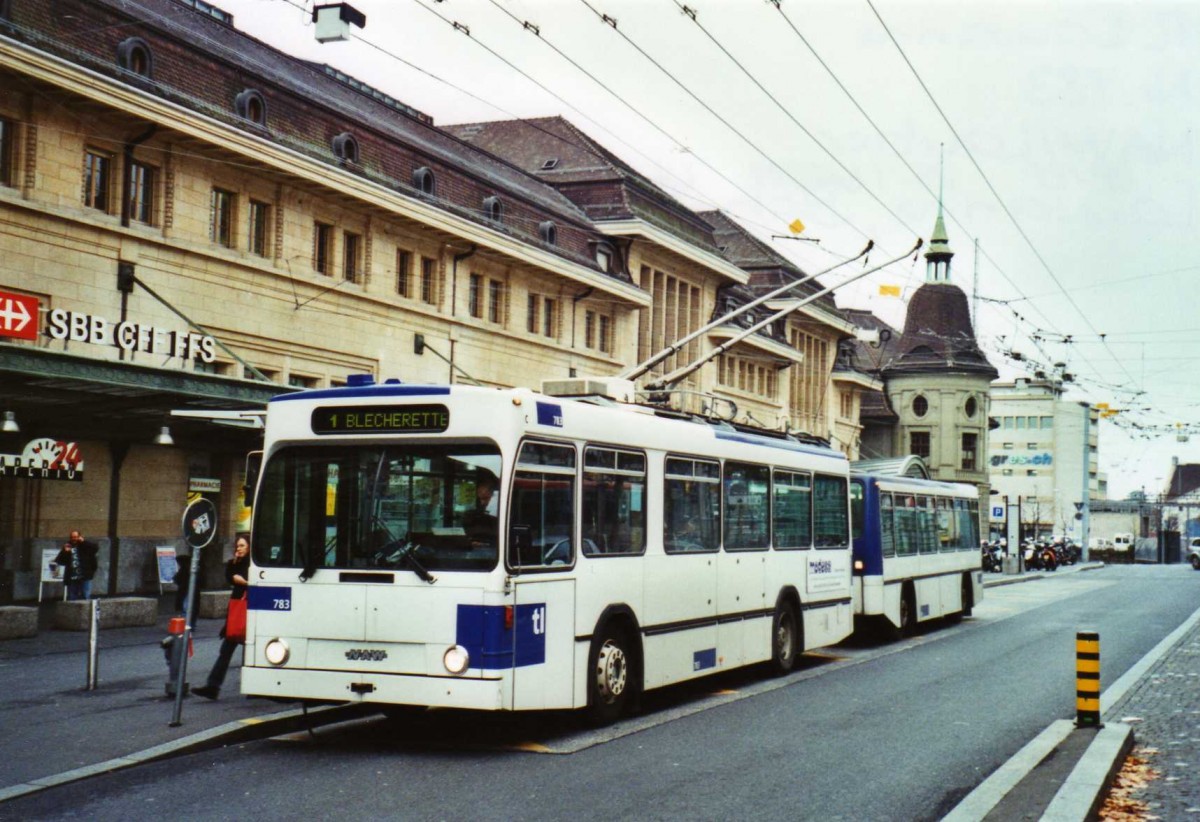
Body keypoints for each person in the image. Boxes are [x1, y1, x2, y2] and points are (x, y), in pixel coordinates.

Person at [193, 535, 250, 700]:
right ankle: (213, 686)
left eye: (242, 546)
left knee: (250, 652)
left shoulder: (253, 563)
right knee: (225, 651)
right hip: (237, 614)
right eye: (237, 546)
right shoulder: (234, 564)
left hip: (250, 612)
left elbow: (245, 579)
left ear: (249, 547)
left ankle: (252, 687)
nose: (238, 548)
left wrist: (244, 582)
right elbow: (230, 576)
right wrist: (239, 575)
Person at [54, 530, 99, 600]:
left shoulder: (85, 545)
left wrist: (84, 542)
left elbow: (95, 548)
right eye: (72, 537)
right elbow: (60, 561)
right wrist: (65, 552)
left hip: (85, 575)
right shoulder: (68, 546)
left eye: (75, 537)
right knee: (72, 596)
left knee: (85, 595)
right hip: (72, 576)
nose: (74, 539)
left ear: (79, 537)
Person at [463, 474, 499, 547]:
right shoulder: (476, 514)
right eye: (480, 499)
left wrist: (486, 544)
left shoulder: (500, 515)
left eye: (486, 498)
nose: (482, 503)